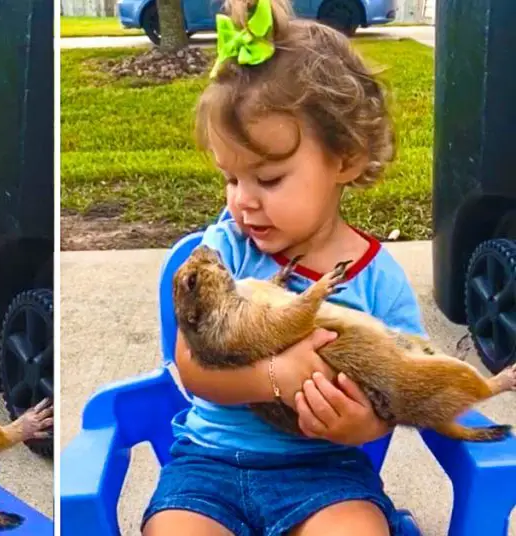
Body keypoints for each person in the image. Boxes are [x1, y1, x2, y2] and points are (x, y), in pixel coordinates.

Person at [142, 0, 426, 534]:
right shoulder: (224, 252)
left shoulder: (376, 277)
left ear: (345, 159)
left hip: (325, 469)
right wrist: (276, 376)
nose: (242, 202)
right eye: (230, 178)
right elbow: (193, 367)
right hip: (209, 465)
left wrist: (360, 423)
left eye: (268, 180)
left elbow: (404, 388)